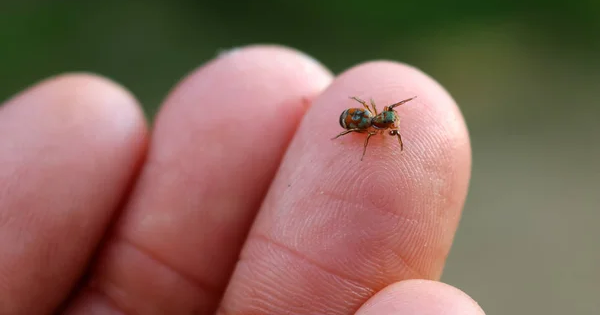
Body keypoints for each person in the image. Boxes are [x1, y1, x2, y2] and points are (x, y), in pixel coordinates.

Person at [0, 45, 484, 314]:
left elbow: (373, 116)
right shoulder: (371, 128)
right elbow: (369, 119)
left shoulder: (374, 126)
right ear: (381, 120)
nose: (388, 126)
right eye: (389, 123)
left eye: (387, 125)